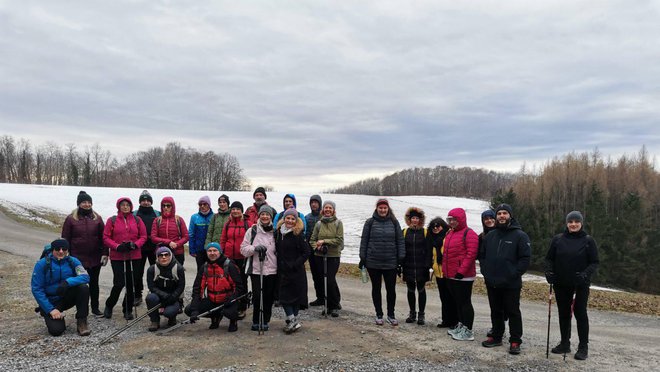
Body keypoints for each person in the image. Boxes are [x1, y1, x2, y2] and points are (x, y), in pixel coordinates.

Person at [545, 211, 599, 360]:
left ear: (581, 223)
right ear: (567, 223)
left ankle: (583, 347)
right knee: (564, 313)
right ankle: (564, 343)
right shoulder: (558, 239)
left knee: (580, 313)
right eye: (570, 221)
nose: (573, 224)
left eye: (576, 221)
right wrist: (549, 272)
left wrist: (585, 274)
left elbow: (594, 262)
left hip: (579, 285)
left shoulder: (588, 240)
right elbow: (549, 259)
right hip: (561, 283)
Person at [480, 204, 531, 355]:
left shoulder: (520, 235)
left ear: (510, 216)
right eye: (499, 213)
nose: (502, 216)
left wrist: (513, 274)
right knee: (495, 310)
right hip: (492, 281)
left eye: (505, 213)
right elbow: (482, 256)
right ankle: (496, 336)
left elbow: (525, 259)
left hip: (511, 283)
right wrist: (485, 272)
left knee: (513, 311)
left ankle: (515, 341)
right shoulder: (490, 236)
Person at [359, 198, 405, 326]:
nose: (383, 210)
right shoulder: (370, 222)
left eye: (385, 208)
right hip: (373, 262)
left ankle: (391, 314)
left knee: (391, 289)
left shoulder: (394, 222)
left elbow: (400, 241)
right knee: (376, 288)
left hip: (391, 262)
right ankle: (379, 314)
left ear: (388, 209)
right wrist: (363, 258)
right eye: (380, 208)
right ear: (377, 208)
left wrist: (401, 258)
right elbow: (364, 241)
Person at [31, 238, 91, 336]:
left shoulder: (73, 261)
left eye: (64, 249)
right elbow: (37, 289)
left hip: (65, 298)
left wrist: (67, 282)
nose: (61, 251)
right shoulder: (42, 264)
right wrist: (50, 309)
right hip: (51, 301)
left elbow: (85, 277)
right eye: (58, 249)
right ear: (52, 250)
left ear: (68, 250)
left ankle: (82, 321)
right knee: (56, 331)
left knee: (83, 288)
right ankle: (47, 311)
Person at [102, 197, 148, 320]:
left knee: (131, 283)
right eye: (123, 205)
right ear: (119, 206)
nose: (125, 207)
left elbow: (143, 236)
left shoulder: (137, 220)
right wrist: (117, 246)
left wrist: (135, 244)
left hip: (134, 255)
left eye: (127, 205)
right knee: (119, 283)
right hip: (118, 256)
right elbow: (106, 237)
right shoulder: (112, 220)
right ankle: (109, 304)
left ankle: (127, 309)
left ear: (131, 206)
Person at [61, 191, 105, 316]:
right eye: (84, 202)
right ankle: (82, 309)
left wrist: (105, 253)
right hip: (78, 259)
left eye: (89, 202)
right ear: (79, 204)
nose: (87, 205)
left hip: (95, 258)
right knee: (81, 285)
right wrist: (65, 254)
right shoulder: (71, 219)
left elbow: (104, 237)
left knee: (94, 283)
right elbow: (65, 238)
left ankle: (95, 308)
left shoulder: (97, 218)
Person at [185, 242, 244, 332]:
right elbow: (198, 289)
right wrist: (194, 310)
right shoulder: (204, 267)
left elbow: (239, 287)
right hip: (212, 299)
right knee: (189, 310)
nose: (212, 253)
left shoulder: (229, 266)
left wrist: (232, 299)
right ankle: (216, 317)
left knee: (229, 312)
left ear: (220, 252)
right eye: (209, 251)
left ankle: (233, 321)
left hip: (228, 300)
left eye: (215, 250)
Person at [443, 208, 479, 342]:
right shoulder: (451, 233)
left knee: (465, 303)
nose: (451, 222)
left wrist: (461, 272)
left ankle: (468, 330)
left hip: (463, 276)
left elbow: (471, 255)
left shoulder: (469, 234)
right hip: (452, 274)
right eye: (449, 219)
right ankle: (461, 325)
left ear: (461, 219)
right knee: (458, 302)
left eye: (454, 219)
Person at [240, 205, 277, 331]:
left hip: (272, 269)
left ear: (271, 217)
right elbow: (243, 249)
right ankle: (256, 320)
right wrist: (254, 249)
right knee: (257, 296)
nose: (265, 216)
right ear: (259, 216)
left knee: (268, 296)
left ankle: (265, 320)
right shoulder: (253, 230)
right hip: (256, 269)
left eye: (267, 215)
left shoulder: (275, 231)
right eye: (263, 214)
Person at [275, 209, 310, 333]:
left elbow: (307, 252)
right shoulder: (279, 233)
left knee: (295, 297)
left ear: (296, 221)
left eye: (292, 219)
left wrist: (295, 264)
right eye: (288, 218)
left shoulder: (298, 235)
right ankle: (292, 320)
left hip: (296, 271)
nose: (290, 221)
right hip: (283, 270)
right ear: (284, 219)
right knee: (284, 297)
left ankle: (292, 321)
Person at [309, 200, 344, 317]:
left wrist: (324, 241)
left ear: (333, 210)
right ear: (323, 210)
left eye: (330, 208)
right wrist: (317, 248)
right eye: (326, 208)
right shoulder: (319, 224)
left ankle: (333, 305)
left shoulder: (338, 223)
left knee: (329, 280)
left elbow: (339, 240)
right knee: (323, 281)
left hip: (333, 256)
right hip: (320, 256)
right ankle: (328, 305)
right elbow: (312, 240)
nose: (328, 210)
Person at [402, 207, 432, 325]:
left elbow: (429, 249)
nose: (415, 220)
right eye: (413, 218)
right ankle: (412, 313)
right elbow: (401, 249)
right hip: (408, 266)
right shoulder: (404, 232)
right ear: (409, 219)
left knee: (421, 290)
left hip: (422, 266)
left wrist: (428, 264)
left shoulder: (425, 232)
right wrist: (400, 264)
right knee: (410, 290)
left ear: (420, 220)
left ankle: (421, 315)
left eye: (417, 218)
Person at [220, 201, 250, 319]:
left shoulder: (247, 224)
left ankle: (242, 307)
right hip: (229, 258)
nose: (235, 211)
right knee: (229, 282)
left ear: (241, 211)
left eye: (238, 209)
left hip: (243, 258)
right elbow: (223, 239)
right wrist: (222, 255)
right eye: (233, 209)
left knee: (242, 283)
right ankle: (231, 305)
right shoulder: (228, 224)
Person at [145, 246, 185, 331]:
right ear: (157, 257)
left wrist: (173, 297)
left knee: (169, 312)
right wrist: (164, 295)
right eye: (161, 255)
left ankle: (172, 317)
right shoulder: (152, 269)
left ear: (170, 256)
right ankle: (154, 321)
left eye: (166, 255)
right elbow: (151, 287)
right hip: (158, 296)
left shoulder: (178, 268)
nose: (164, 257)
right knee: (150, 298)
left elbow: (181, 286)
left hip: (173, 298)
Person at [133, 190, 161, 307]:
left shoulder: (157, 213)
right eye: (143, 200)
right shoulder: (134, 213)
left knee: (156, 271)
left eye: (148, 200)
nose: (145, 202)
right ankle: (138, 294)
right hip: (139, 247)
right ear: (140, 202)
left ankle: (156, 291)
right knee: (137, 272)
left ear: (151, 202)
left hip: (154, 247)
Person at [429, 217, 457, 328]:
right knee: (444, 298)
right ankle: (446, 320)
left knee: (452, 298)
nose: (435, 228)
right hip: (438, 273)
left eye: (438, 226)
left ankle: (455, 321)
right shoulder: (432, 239)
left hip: (448, 272)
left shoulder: (448, 237)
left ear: (443, 226)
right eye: (433, 227)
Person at [477, 209, 499, 337]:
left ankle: (500, 324)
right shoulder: (482, 236)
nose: (489, 221)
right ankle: (495, 326)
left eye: (491, 218)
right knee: (493, 303)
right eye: (486, 219)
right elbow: (480, 255)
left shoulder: (502, 233)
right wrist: (485, 270)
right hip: (489, 274)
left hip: (504, 273)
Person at [151, 196, 189, 266]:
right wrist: (168, 242)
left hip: (177, 252)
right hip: (162, 252)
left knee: (177, 274)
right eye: (164, 205)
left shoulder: (179, 219)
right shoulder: (157, 220)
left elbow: (186, 237)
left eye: (168, 205)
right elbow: (153, 237)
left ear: (172, 207)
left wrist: (176, 244)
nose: (166, 208)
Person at [305, 195, 324, 307]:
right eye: (312, 202)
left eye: (316, 202)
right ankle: (320, 297)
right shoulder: (307, 217)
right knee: (316, 275)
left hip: (323, 250)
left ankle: (332, 299)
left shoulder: (324, 216)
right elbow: (306, 235)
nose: (314, 204)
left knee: (326, 276)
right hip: (312, 251)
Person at [189, 195, 214, 272]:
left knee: (212, 270)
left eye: (205, 204)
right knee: (201, 270)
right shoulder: (194, 217)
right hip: (199, 249)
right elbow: (191, 234)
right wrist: (192, 249)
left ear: (209, 205)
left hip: (211, 249)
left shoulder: (214, 216)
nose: (202, 206)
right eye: (200, 204)